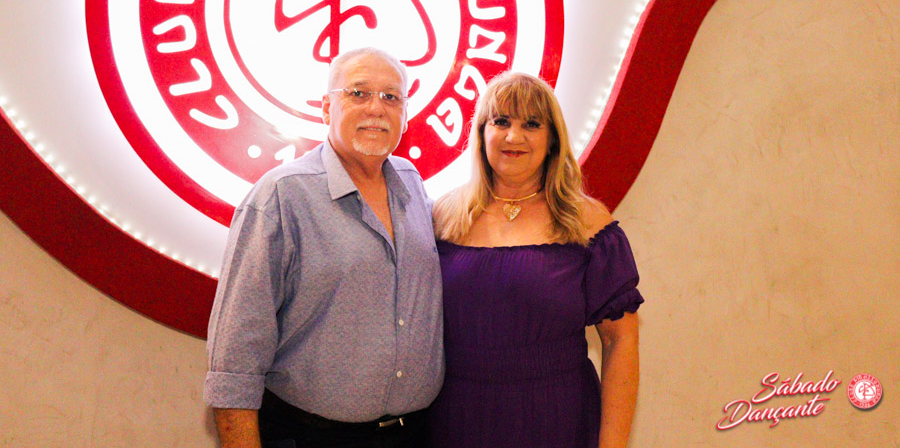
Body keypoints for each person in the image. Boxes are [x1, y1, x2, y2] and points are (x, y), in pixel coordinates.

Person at [205, 47, 444, 448]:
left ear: (405, 114)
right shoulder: (281, 197)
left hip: (414, 433)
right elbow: (235, 357)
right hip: (310, 436)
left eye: (391, 97)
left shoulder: (411, 182)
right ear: (326, 107)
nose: (376, 108)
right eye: (358, 93)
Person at [428, 72, 643, 448]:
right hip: (456, 419)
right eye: (501, 121)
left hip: (556, 418)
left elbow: (620, 340)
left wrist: (613, 444)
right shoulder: (443, 216)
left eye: (531, 124)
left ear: (552, 139)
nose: (514, 137)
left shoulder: (587, 223)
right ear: (481, 132)